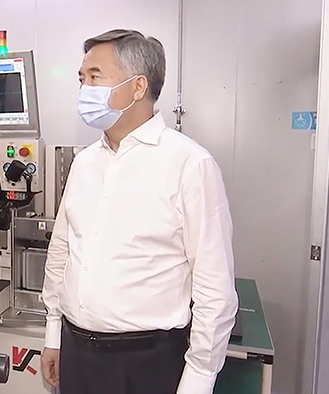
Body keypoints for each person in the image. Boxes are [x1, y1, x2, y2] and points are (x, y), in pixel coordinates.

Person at [40, 29, 238, 394]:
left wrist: (199, 378)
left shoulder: (189, 164)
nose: (84, 89)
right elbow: (62, 252)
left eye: (95, 77)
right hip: (77, 354)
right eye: (82, 79)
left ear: (137, 86)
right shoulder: (84, 163)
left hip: (147, 363)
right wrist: (54, 333)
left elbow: (215, 287)